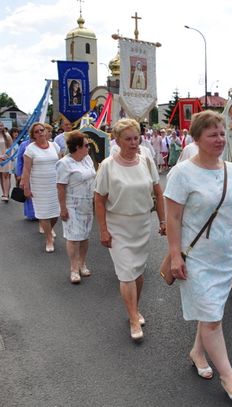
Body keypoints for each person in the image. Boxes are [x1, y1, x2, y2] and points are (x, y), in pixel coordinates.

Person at [164, 110, 232, 402]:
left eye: (223, 133)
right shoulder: (183, 173)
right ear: (197, 138)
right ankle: (229, 377)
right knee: (213, 317)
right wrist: (175, 256)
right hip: (196, 257)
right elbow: (172, 218)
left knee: (211, 310)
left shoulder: (231, 170)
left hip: (223, 255)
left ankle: (198, 352)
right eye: (213, 134)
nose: (220, 139)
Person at [94, 118, 165, 341]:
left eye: (136, 138)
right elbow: (98, 199)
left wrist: (163, 222)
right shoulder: (108, 165)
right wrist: (103, 230)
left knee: (137, 272)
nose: (134, 143)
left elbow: (158, 192)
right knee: (126, 273)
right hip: (118, 225)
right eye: (128, 139)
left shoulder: (146, 161)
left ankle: (135, 307)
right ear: (117, 140)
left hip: (142, 224)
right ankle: (133, 318)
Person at [56, 131, 96, 284]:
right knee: (73, 237)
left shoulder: (87, 160)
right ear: (77, 147)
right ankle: (73, 269)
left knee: (85, 235)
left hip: (87, 203)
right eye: (86, 145)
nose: (88, 148)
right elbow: (60, 187)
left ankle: (82, 263)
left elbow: (93, 178)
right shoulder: (64, 163)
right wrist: (63, 209)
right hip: (72, 204)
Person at [21, 123, 61, 252]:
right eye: (37, 131)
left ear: (46, 131)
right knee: (43, 214)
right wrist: (26, 187)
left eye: (42, 130)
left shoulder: (55, 146)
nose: (40, 133)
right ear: (33, 135)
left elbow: (61, 164)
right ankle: (49, 239)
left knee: (56, 213)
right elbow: (26, 170)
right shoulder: (30, 149)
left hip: (54, 184)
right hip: (39, 186)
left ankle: (49, 229)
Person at [0, 121, 13, 202]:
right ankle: (4, 193)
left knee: (6, 175)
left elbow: (11, 146)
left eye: (1, 126)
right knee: (1, 176)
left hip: (6, 157)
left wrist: (7, 155)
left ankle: (5, 194)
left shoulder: (7, 135)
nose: (0, 127)